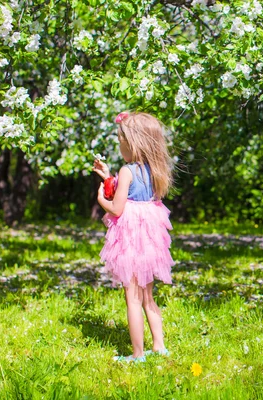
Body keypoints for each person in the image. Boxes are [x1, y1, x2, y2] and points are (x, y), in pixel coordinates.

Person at [93, 111, 175, 363]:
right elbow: (136, 193)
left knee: (133, 298)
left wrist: (100, 199)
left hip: (130, 239)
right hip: (150, 239)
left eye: (121, 143)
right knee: (148, 296)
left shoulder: (127, 170)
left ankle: (138, 354)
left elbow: (117, 208)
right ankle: (159, 346)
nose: (120, 147)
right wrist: (108, 177)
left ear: (133, 144)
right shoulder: (155, 170)